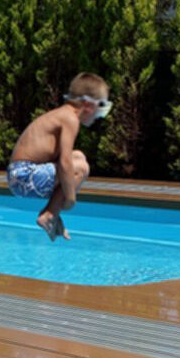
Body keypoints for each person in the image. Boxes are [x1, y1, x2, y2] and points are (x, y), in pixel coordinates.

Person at [6, 73, 110, 240]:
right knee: (80, 167)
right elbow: (64, 162)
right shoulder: (70, 119)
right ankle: (49, 213)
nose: (100, 115)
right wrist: (70, 198)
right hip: (23, 176)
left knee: (79, 156)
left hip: (19, 175)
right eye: (102, 107)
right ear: (88, 104)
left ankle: (52, 214)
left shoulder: (63, 114)